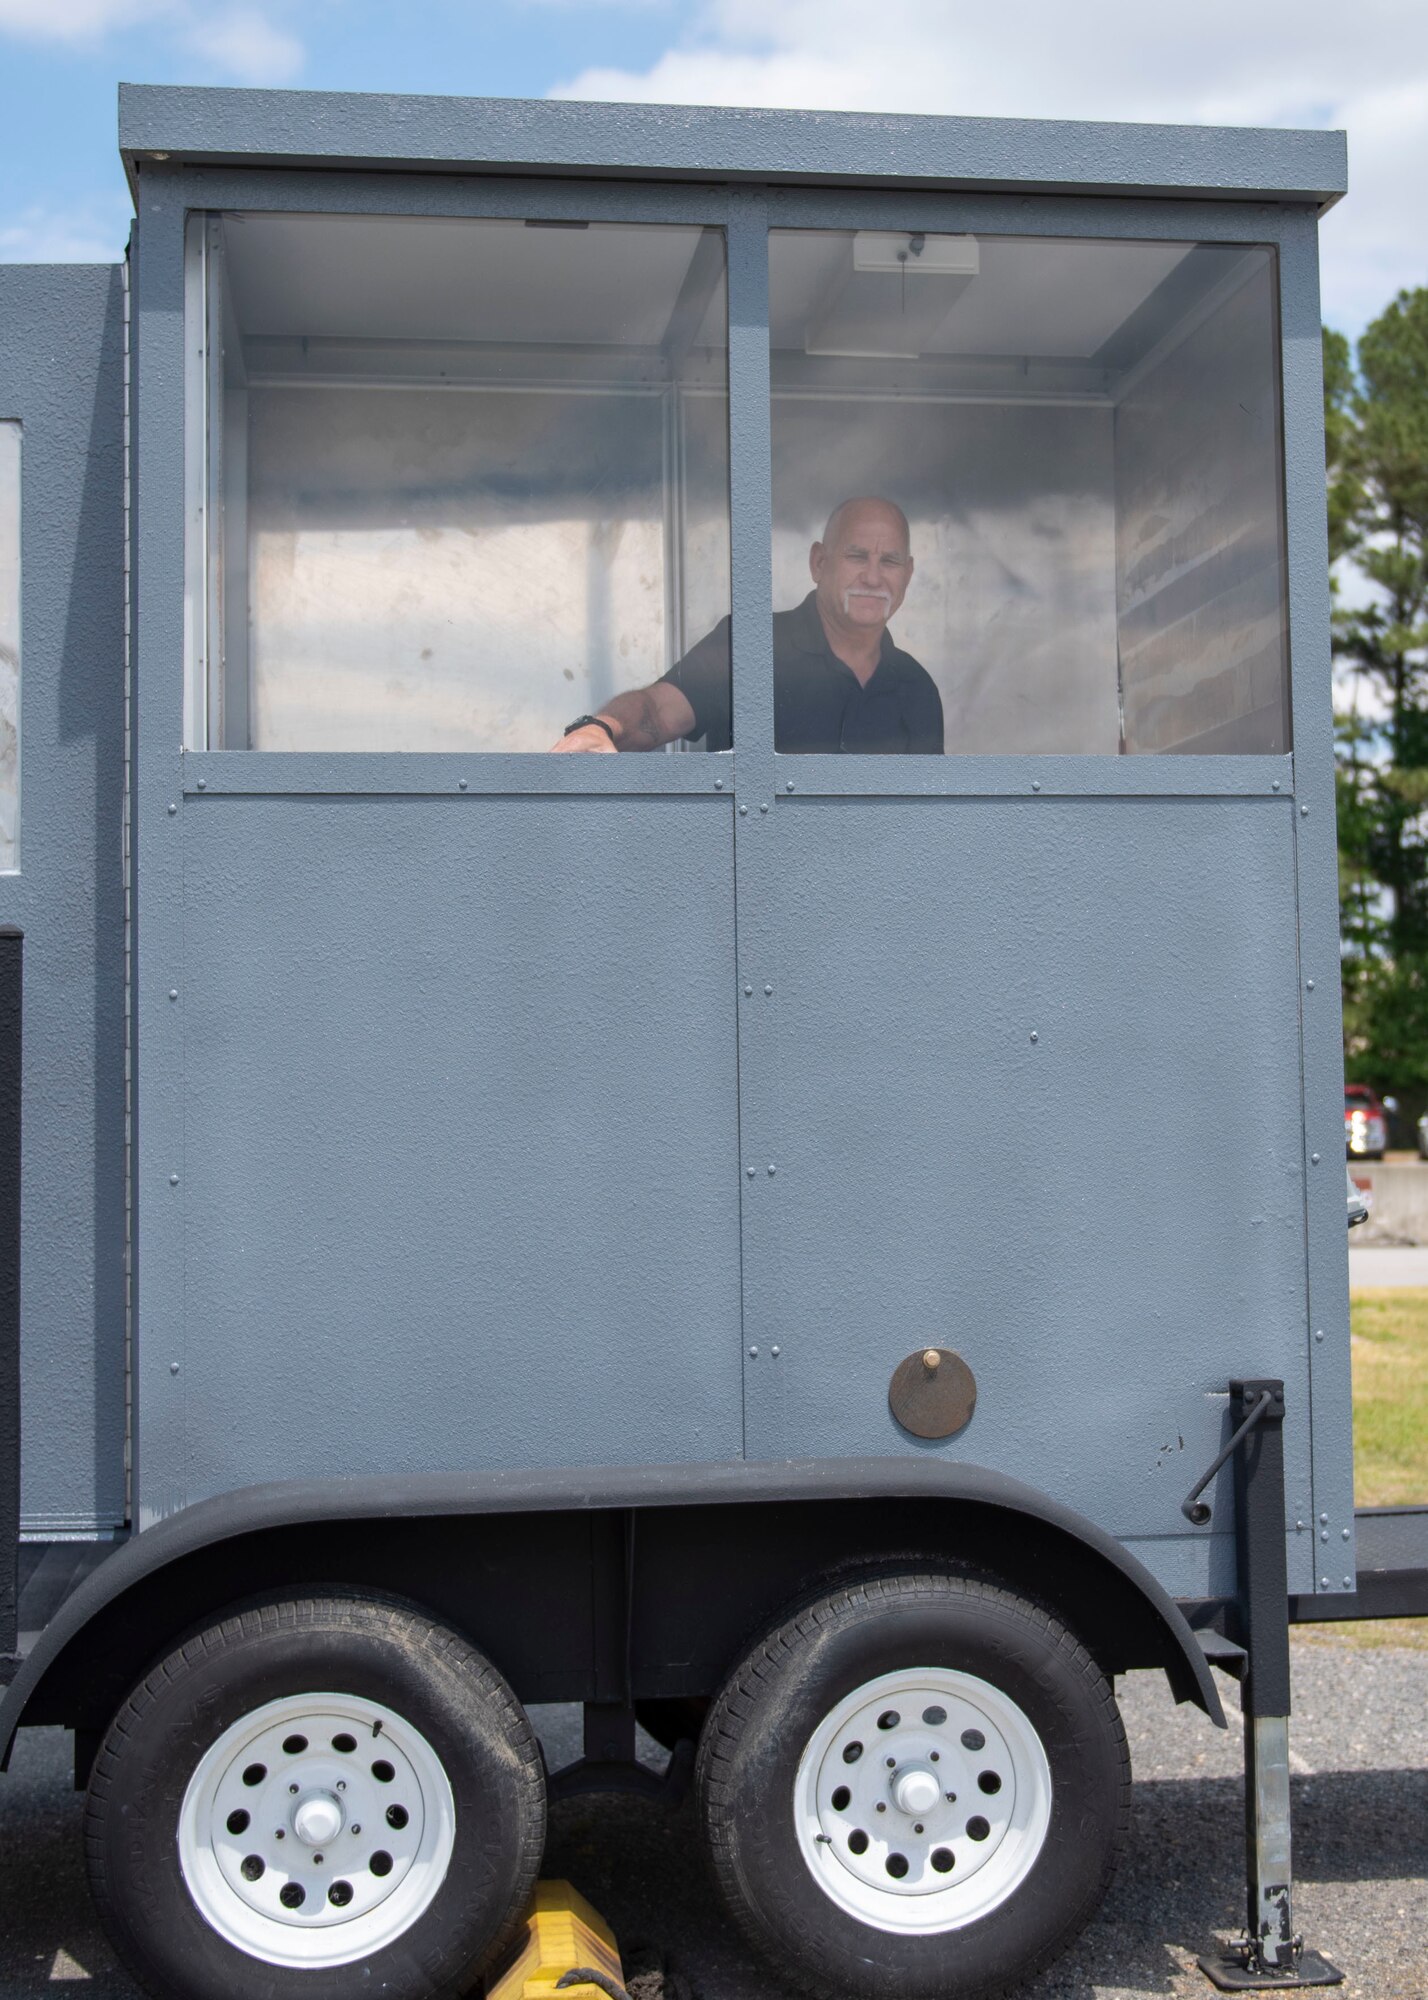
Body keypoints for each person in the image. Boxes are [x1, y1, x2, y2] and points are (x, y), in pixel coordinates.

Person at [552, 496, 943, 755]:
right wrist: (599, 728)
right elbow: (657, 710)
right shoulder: (750, 646)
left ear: (908, 574)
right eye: (857, 557)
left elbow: (930, 825)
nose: (873, 578)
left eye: (889, 562)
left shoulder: (917, 687)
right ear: (819, 564)